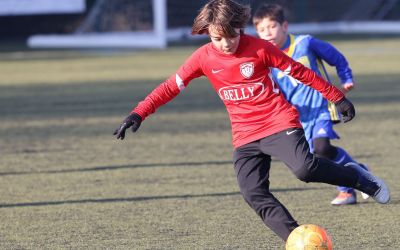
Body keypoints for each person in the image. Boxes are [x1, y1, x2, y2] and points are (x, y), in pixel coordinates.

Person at [114, 0, 390, 242]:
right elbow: (170, 87)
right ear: (208, 33)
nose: (224, 44)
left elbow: (300, 72)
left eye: (230, 36)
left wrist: (337, 98)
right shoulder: (202, 58)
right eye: (216, 38)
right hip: (245, 135)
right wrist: (139, 112)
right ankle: (296, 239)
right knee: (252, 192)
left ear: (240, 27)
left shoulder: (258, 48)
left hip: (278, 122)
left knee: (305, 170)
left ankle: (362, 179)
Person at [252, 4, 372, 205]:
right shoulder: (265, 59)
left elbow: (336, 57)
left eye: (272, 27)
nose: (268, 33)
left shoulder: (304, 43)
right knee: (314, 158)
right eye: (261, 30)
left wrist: (346, 78)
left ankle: (346, 189)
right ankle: (358, 174)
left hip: (322, 107)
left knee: (322, 147)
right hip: (297, 117)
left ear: (285, 26)